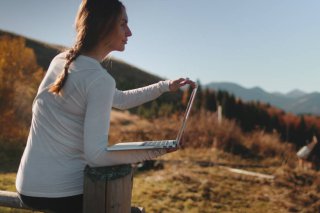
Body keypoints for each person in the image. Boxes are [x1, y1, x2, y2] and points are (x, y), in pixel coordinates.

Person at [15, 0, 195, 212]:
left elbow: (120, 99)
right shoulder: (98, 79)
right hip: (60, 193)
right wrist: (156, 150)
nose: (129, 32)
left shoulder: (61, 60)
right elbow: (97, 156)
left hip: (26, 186)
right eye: (123, 24)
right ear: (104, 25)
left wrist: (164, 86)